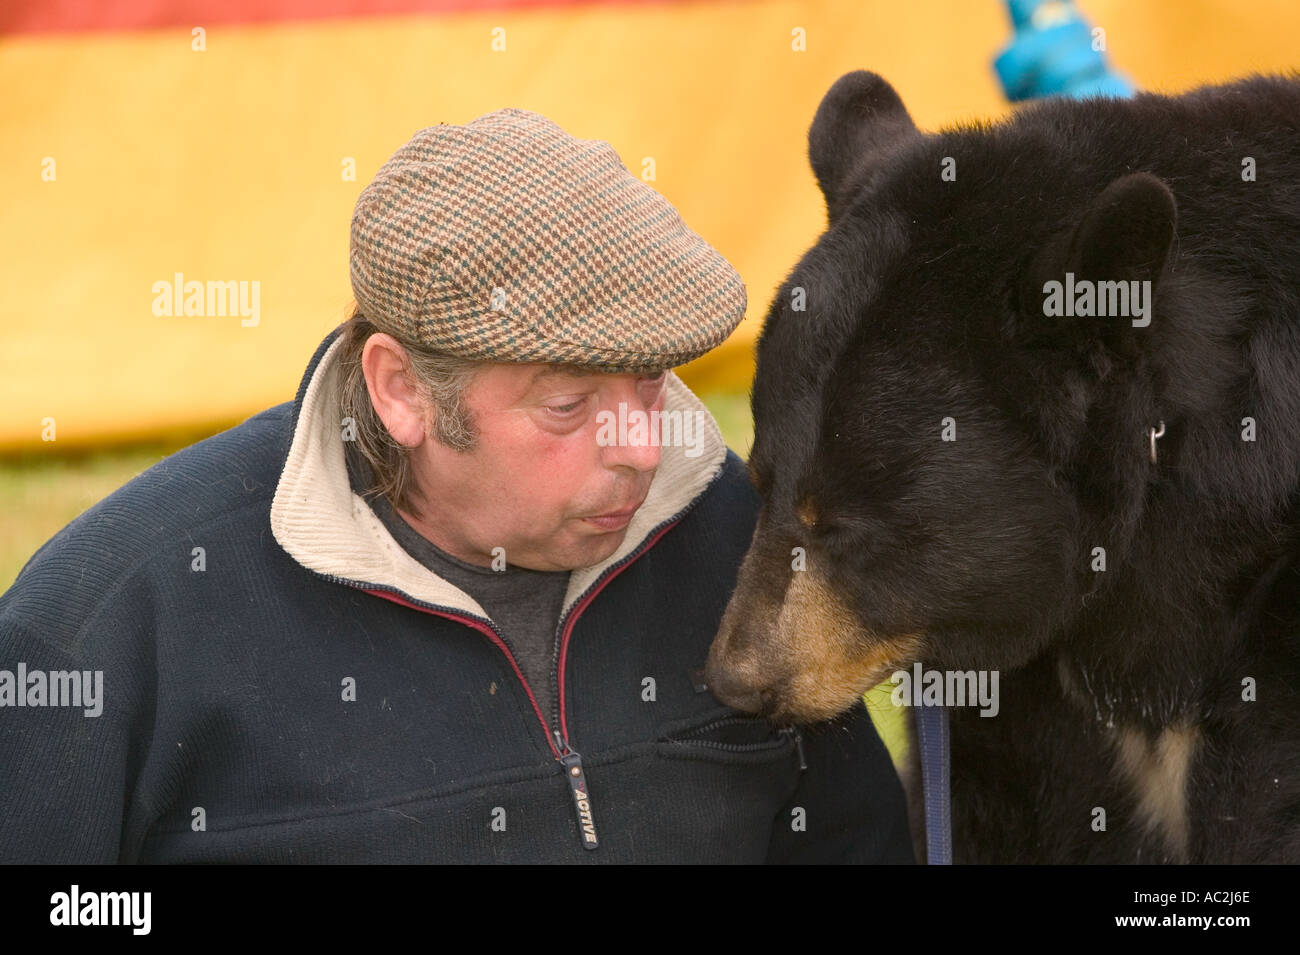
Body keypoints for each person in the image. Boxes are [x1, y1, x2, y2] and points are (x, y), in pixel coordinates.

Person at [0, 108, 914, 863]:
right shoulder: (103, 626)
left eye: (654, 381)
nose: (646, 446)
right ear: (401, 389)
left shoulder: (731, 543)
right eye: (568, 404)